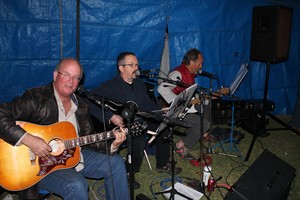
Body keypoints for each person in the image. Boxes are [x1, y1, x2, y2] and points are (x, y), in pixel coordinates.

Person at [0, 58, 129, 200]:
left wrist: (112, 145)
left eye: (76, 77)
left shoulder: (81, 105)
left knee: (116, 162)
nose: (71, 81)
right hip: (41, 167)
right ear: (55, 75)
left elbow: (88, 137)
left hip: (75, 156)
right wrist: (28, 139)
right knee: (76, 184)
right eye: (66, 75)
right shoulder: (36, 98)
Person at [88, 52, 182, 189]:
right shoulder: (110, 86)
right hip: (121, 125)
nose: (136, 68)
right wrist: (110, 116)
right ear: (121, 68)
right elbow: (89, 102)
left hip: (139, 120)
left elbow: (145, 103)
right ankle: (128, 173)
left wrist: (160, 112)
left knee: (165, 125)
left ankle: (162, 163)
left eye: (137, 64)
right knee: (137, 139)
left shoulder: (139, 83)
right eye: (131, 65)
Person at [157, 48, 211, 160]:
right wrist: (179, 103)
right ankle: (179, 145)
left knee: (206, 103)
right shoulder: (178, 73)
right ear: (191, 62)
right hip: (174, 111)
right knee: (204, 124)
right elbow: (162, 88)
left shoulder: (190, 75)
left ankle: (202, 134)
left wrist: (199, 99)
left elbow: (188, 94)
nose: (201, 67)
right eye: (199, 64)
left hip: (185, 110)